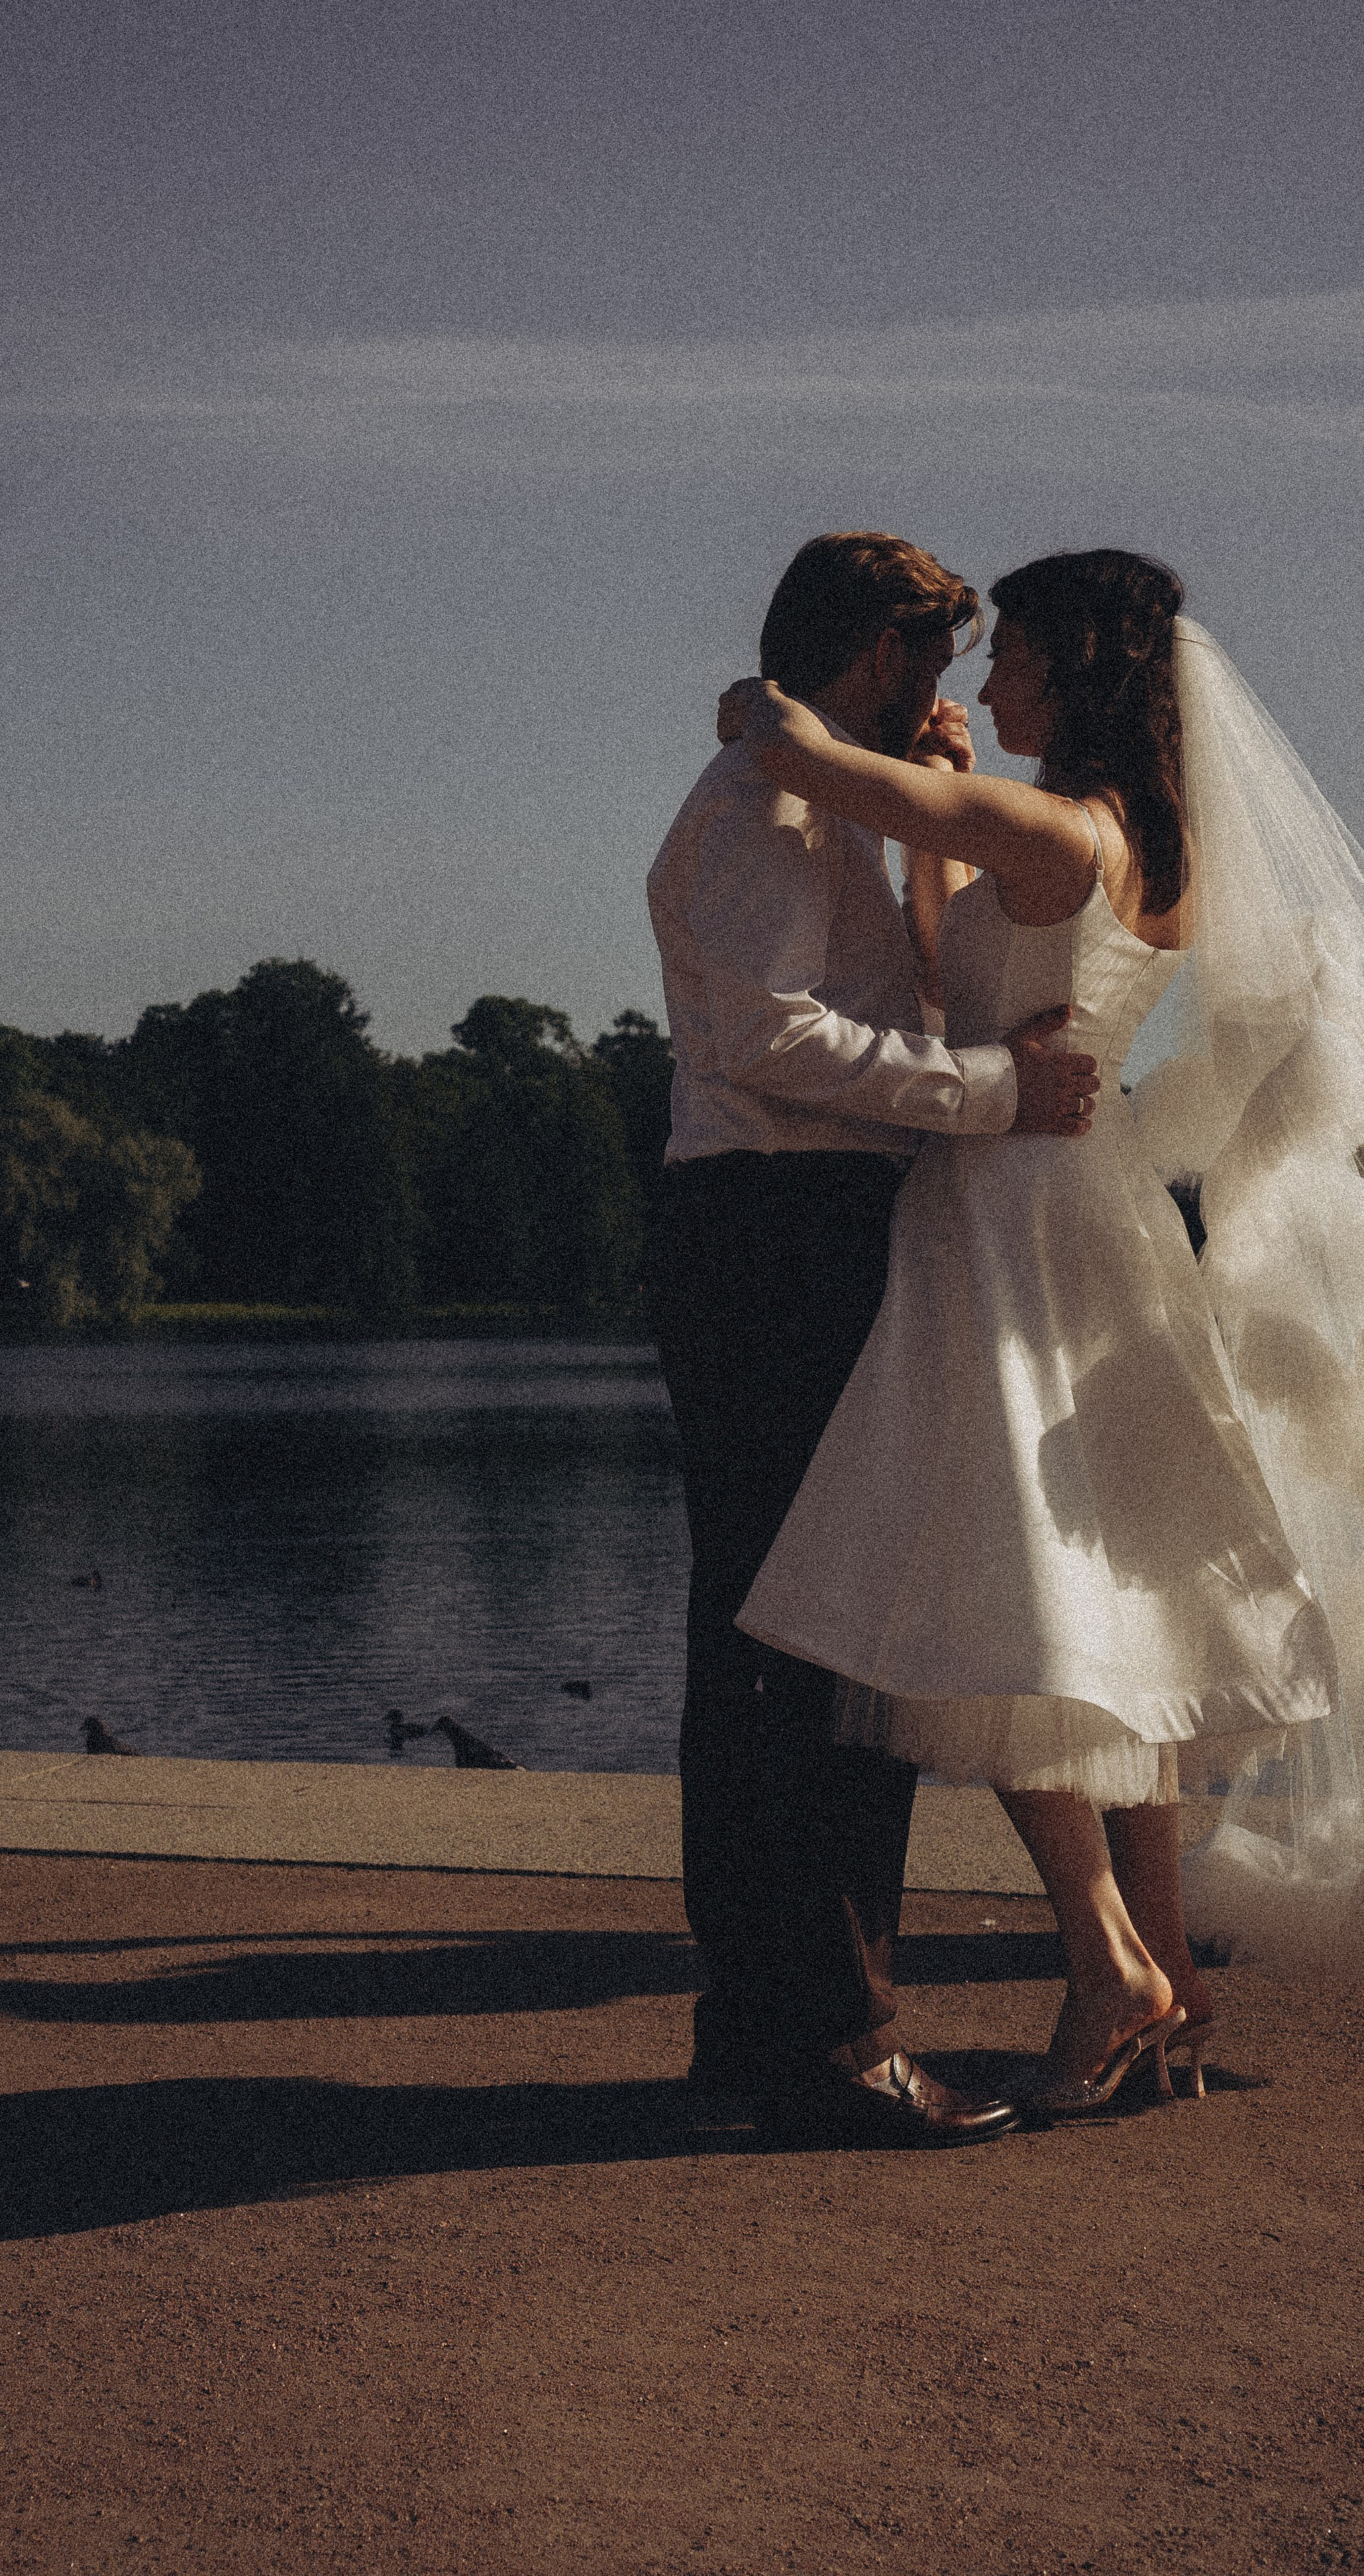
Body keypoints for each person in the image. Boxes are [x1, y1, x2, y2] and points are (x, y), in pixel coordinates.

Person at [731, 547, 1360, 2110]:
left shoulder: (1039, 825)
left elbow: (803, 755)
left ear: (1073, 669)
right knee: (1105, 1620)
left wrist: (770, 698)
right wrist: (944, 826)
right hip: (1098, 1213)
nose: (980, 683)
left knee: (995, 1599)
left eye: (1006, 655)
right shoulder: (1144, 842)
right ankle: (1170, 1979)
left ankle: (1105, 1964)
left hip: (1000, 1223)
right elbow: (970, 987)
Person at [646, 532, 1102, 2146]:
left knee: (804, 1646)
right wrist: (1000, 1096)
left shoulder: (817, 798)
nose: (937, 692)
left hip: (807, 1229)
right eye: (916, 659)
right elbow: (775, 1043)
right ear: (854, 652)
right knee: (798, 1652)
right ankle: (826, 2043)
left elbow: (887, 1000)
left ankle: (775, 2036)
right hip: (774, 1228)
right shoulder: (765, 810)